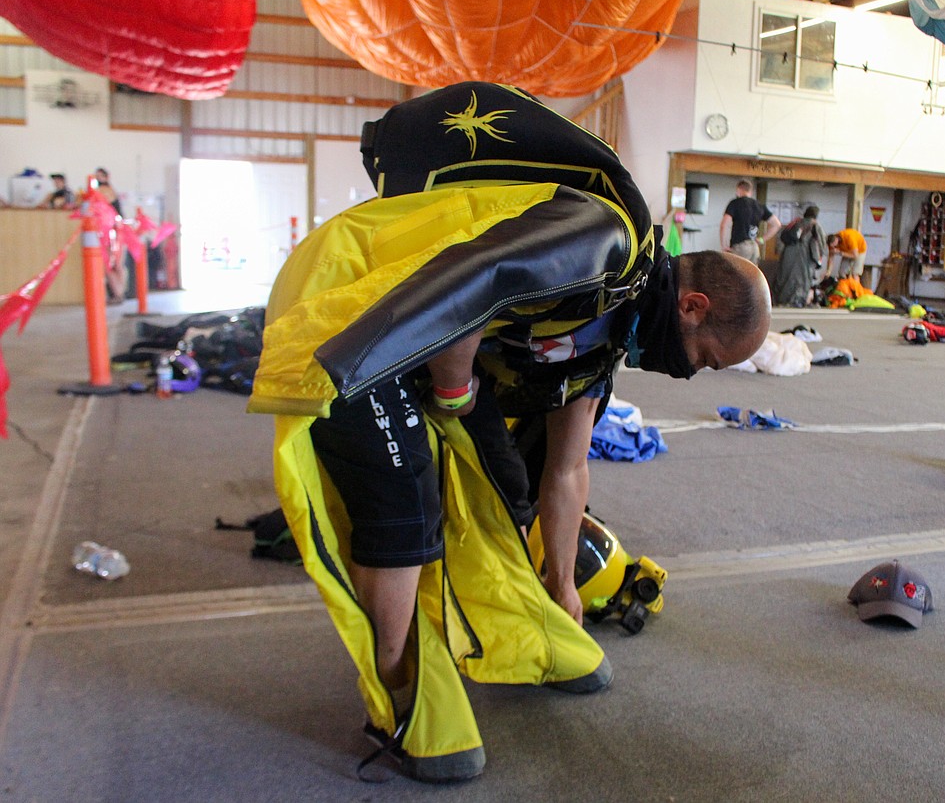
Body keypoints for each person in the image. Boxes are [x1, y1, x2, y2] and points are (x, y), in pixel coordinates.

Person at [248, 83, 772, 783]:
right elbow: (475, 277)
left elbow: (567, 472)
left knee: (507, 489)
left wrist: (563, 588)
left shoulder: (606, 337)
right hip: (364, 308)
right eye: (705, 358)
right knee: (406, 505)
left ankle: (523, 626)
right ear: (693, 306)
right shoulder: (604, 243)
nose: (692, 373)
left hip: (425, 336)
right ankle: (400, 696)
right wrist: (457, 393)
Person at [719, 179, 781, 266]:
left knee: (735, 276)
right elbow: (776, 224)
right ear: (751, 191)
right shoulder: (760, 205)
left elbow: (724, 225)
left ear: (738, 190)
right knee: (751, 278)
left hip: (740, 246)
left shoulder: (735, 203)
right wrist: (762, 239)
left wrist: (723, 245)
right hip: (754, 247)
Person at [774, 205, 825, 307]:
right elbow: (820, 244)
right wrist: (818, 260)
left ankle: (781, 300)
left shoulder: (795, 223)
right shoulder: (815, 226)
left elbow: (781, 238)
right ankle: (797, 300)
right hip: (804, 258)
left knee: (785, 277)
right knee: (802, 280)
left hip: (788, 255)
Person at [94, 167, 127, 303]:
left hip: (113, 232)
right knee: (113, 265)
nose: (98, 179)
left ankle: (118, 293)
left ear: (106, 177)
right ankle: (118, 292)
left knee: (112, 265)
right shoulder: (107, 190)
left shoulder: (104, 191)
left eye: (100, 176)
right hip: (113, 231)